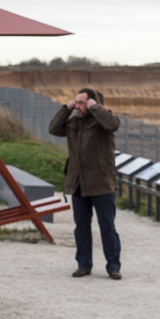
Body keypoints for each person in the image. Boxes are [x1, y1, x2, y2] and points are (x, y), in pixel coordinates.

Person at [49, 87, 122, 280]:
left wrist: (95, 108)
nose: (77, 106)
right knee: (81, 227)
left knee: (107, 227)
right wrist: (66, 108)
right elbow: (54, 129)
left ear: (92, 103)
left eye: (81, 103)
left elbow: (113, 124)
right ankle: (83, 265)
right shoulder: (73, 122)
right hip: (79, 183)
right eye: (76, 102)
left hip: (101, 183)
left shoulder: (103, 121)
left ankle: (113, 267)